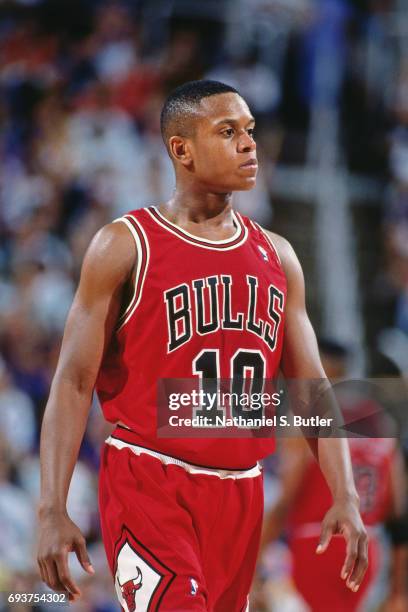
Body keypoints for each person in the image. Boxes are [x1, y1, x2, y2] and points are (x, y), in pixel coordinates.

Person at [37, 80, 368, 611]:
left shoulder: (277, 256)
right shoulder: (125, 244)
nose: (249, 145)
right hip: (149, 479)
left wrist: (345, 494)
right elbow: (73, 381)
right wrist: (51, 507)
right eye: (228, 132)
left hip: (242, 491)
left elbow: (311, 389)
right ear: (181, 149)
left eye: (251, 132)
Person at [255, 340, 407, 612]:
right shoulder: (380, 420)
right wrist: (399, 589)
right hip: (368, 546)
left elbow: (286, 499)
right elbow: (397, 512)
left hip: (318, 544)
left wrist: (254, 560)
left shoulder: (310, 414)